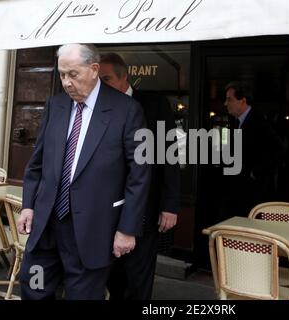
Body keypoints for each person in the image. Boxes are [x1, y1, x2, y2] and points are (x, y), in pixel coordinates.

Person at [17, 44, 151, 300]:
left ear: (94, 70)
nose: (66, 82)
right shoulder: (55, 105)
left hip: (93, 230)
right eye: (62, 74)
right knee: (34, 290)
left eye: (73, 74)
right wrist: (28, 206)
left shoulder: (127, 110)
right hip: (45, 227)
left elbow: (139, 174)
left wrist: (128, 229)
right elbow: (37, 163)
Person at [99, 53, 180, 300]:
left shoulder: (155, 105)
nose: (101, 85)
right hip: (106, 209)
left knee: (139, 277)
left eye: (107, 78)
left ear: (125, 76)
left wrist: (170, 205)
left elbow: (170, 156)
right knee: (112, 276)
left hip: (146, 206)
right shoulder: (97, 107)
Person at [222, 81, 285, 218]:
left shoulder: (259, 120)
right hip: (238, 189)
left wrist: (255, 171)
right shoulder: (235, 122)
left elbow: (279, 149)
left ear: (243, 101)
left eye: (229, 99)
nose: (225, 104)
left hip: (255, 192)